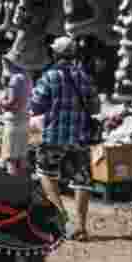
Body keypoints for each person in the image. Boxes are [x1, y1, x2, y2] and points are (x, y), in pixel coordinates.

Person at [29, 35, 99, 241]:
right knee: (82, 179)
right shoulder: (83, 76)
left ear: (54, 54)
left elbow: (36, 106)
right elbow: (95, 106)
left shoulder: (48, 77)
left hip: (53, 135)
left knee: (46, 173)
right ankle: (81, 227)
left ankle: (62, 220)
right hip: (80, 136)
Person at [0, 53, 31, 178]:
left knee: (10, 156)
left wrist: (0, 104)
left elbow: (11, 101)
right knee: (21, 157)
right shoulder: (26, 76)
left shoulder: (15, 78)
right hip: (25, 118)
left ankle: (13, 186)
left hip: (13, 119)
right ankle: (22, 185)